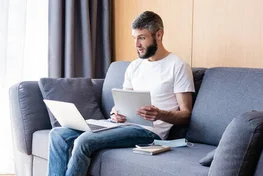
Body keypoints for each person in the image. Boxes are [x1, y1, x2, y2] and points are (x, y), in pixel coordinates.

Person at [47, 11, 195, 176]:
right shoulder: (134, 66)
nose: (136, 44)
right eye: (134, 38)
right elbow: (124, 102)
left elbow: (186, 114)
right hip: (120, 125)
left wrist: (159, 114)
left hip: (148, 132)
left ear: (158, 35)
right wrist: (116, 112)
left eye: (142, 38)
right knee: (58, 134)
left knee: (84, 140)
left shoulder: (178, 66)